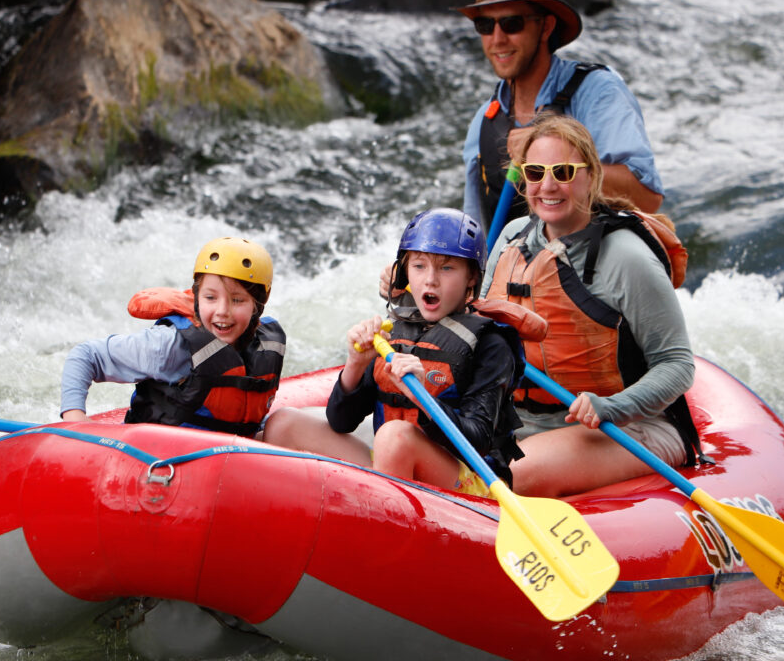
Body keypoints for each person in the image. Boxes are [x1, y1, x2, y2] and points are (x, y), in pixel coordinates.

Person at [484, 114, 704, 498]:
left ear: (591, 177)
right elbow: (477, 326)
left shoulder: (626, 258)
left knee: (504, 478)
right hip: (528, 421)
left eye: (564, 172)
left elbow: (678, 364)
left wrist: (611, 406)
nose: (547, 185)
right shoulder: (510, 239)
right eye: (535, 172)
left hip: (625, 426)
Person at [263, 208, 529, 493]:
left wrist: (422, 396)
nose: (430, 280)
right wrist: (354, 365)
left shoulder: (491, 345)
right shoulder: (396, 331)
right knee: (283, 424)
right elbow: (341, 422)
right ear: (404, 271)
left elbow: (478, 441)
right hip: (395, 466)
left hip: (470, 484)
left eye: (447, 268)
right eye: (419, 266)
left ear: (472, 278)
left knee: (394, 436)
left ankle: (378, 526)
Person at [457, 0, 664, 233]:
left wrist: (555, 161)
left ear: (546, 27)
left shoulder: (597, 93)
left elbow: (647, 198)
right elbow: (473, 233)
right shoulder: (484, 120)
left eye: (511, 23)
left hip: (590, 270)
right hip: (518, 272)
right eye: (485, 26)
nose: (497, 39)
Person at [60, 236, 285, 438]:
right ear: (196, 298)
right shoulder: (171, 345)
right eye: (210, 297)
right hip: (156, 461)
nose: (222, 311)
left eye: (237, 300)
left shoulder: (265, 342)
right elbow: (87, 355)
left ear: (257, 305)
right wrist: (75, 419)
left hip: (223, 460)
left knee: (287, 423)